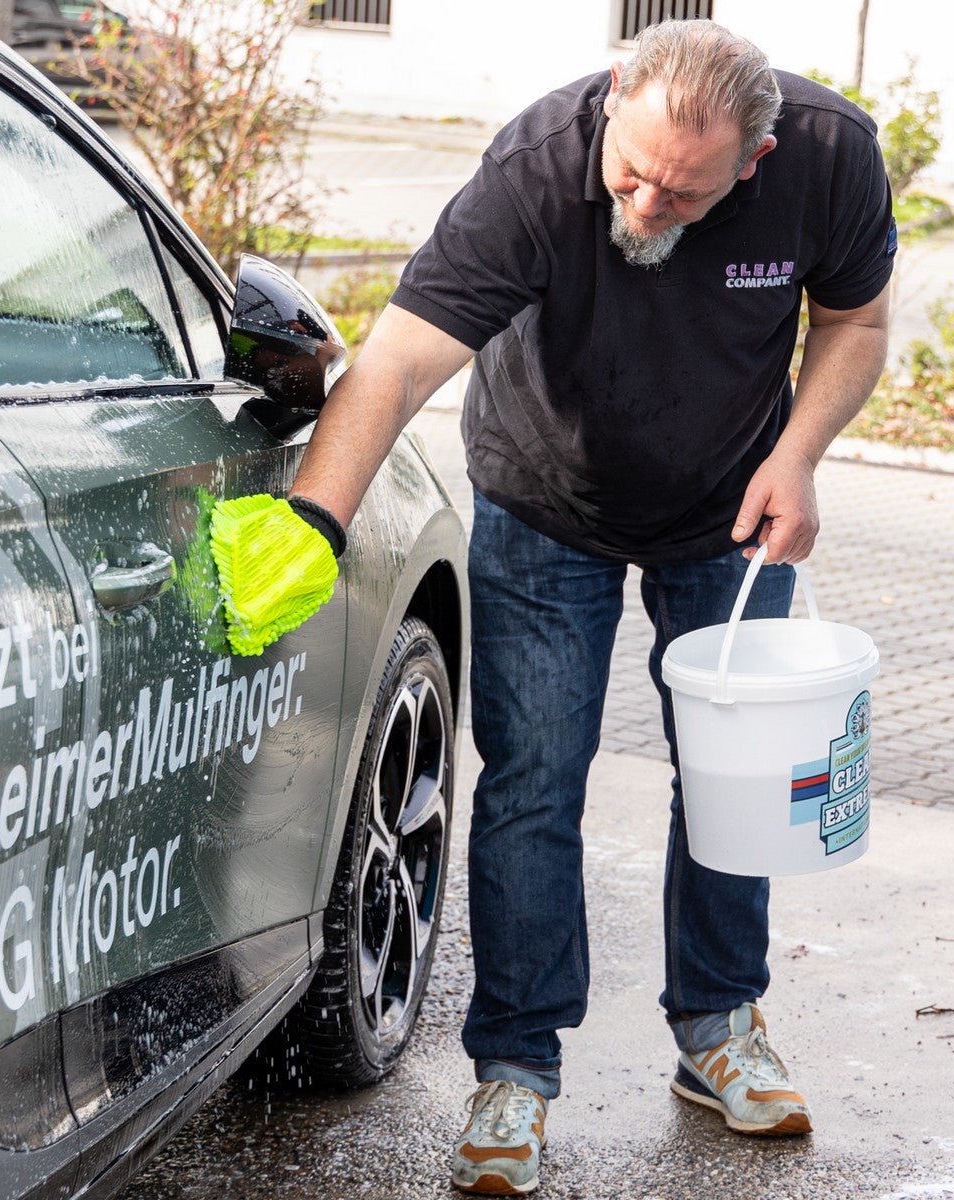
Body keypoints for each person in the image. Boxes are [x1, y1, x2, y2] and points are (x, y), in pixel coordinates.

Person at [234, 18, 894, 1196]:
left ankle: (717, 1028)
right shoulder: (536, 171)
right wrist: (315, 525)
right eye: (631, 172)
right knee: (535, 781)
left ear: (757, 157)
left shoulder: (833, 156)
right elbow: (392, 364)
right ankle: (517, 1072)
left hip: (730, 514)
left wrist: (800, 455)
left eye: (685, 192)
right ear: (613, 93)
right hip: (547, 505)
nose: (644, 204)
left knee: (733, 782)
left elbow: (856, 322)